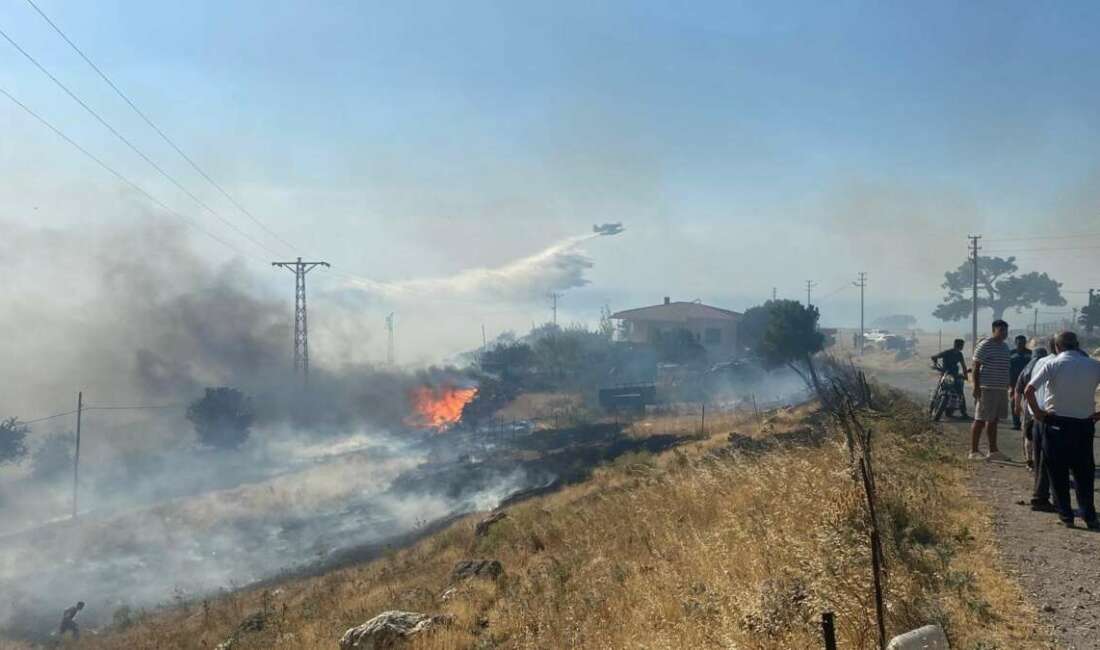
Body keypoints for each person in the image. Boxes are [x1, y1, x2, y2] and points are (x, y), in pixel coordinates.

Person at [1025, 331, 1100, 529]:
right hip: (1084, 424)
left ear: (1057, 347)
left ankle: (1066, 515)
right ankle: (1089, 515)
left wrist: (1038, 413)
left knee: (1057, 472)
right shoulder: (1094, 365)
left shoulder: (1053, 364)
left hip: (1056, 423)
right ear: (1077, 344)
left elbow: (1029, 390)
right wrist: (1099, 414)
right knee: (1084, 472)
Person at [1015, 339, 1053, 510]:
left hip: (1030, 407)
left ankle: (1029, 460)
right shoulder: (1047, 365)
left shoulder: (1029, 368)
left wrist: (1017, 405)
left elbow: (1020, 389)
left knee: (1027, 435)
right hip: (1044, 409)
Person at [970, 320, 1011, 461]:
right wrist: (976, 387)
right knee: (980, 419)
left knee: (993, 419)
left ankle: (993, 451)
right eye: (1001, 331)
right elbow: (975, 367)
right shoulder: (985, 345)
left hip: (1001, 388)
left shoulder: (1005, 347)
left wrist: (1008, 385)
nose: (1004, 334)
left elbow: (1006, 367)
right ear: (994, 331)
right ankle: (974, 451)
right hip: (987, 388)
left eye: (1006, 331)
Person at [931, 338, 969, 418]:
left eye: (961, 345)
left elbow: (963, 366)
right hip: (946, 373)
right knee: (939, 387)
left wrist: (966, 376)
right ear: (955, 345)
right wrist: (935, 363)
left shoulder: (960, 354)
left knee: (960, 392)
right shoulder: (947, 352)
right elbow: (934, 357)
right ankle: (932, 405)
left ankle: (964, 412)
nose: (960, 346)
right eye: (959, 345)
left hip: (955, 375)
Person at [1008, 335, 1032, 431]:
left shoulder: (1030, 354)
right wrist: (1009, 384)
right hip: (1014, 382)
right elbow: (1007, 368)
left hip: (1027, 382)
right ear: (1015, 343)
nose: (1021, 344)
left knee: (1028, 402)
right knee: (1014, 402)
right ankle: (1016, 423)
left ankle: (1028, 423)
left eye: (1023, 342)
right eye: (1019, 343)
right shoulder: (1011, 353)